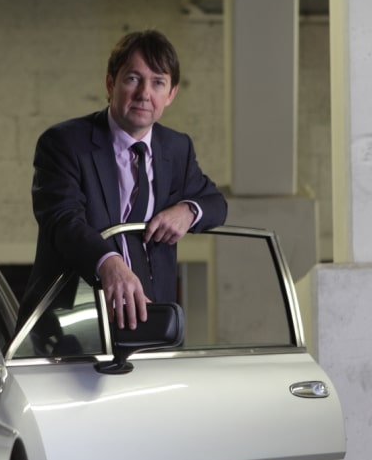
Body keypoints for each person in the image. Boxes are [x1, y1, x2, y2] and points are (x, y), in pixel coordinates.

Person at [18, 29, 227, 336]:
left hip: (154, 326)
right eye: (133, 78)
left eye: (158, 82)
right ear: (110, 83)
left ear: (171, 94)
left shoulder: (177, 148)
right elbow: (62, 220)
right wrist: (108, 262)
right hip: (72, 328)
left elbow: (215, 203)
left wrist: (187, 210)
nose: (145, 93)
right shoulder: (64, 143)